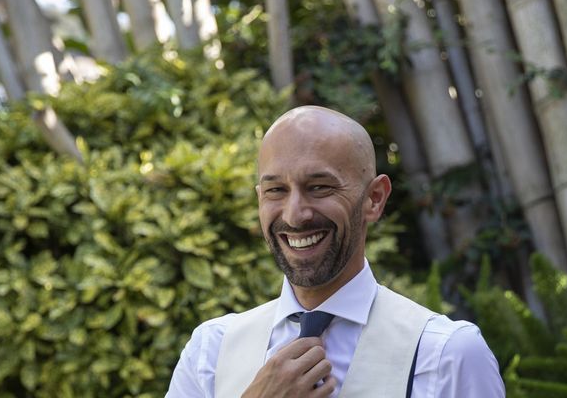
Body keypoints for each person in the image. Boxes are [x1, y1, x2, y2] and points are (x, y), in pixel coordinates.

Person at [166, 106, 505, 397]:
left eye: (319, 187)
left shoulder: (448, 355)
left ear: (374, 199)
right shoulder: (209, 351)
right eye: (276, 190)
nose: (294, 214)